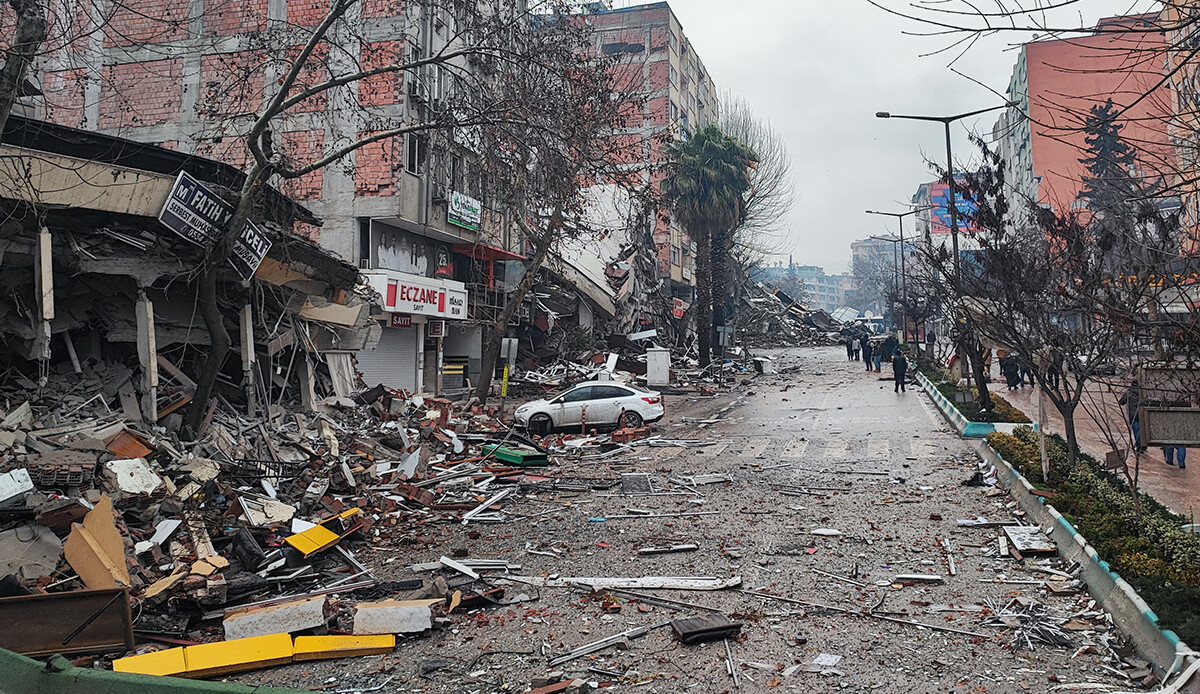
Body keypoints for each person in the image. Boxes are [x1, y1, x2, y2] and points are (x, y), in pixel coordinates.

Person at [1118, 380, 1146, 454]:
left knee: (1136, 430)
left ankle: (1139, 445)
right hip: (1143, 414)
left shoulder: (1129, 393)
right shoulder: (1144, 392)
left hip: (1133, 415)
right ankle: (1144, 444)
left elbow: (1121, 402)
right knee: (1143, 429)